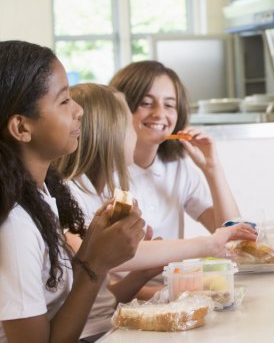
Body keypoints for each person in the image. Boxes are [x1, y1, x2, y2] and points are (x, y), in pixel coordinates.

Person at [54, 83, 257, 340]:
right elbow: (98, 253)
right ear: (110, 134)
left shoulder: (99, 193)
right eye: (129, 124)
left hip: (108, 325)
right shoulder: (70, 194)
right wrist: (209, 244)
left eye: (170, 104)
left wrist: (144, 274)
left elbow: (104, 295)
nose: (136, 134)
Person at [0, 40, 144, 342]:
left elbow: (61, 307)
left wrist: (93, 249)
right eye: (64, 101)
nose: (79, 111)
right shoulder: (14, 226)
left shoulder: (40, 196)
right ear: (21, 128)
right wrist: (96, 264)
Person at [109, 61, 240, 240]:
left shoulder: (178, 168)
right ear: (119, 109)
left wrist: (212, 170)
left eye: (169, 105)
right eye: (146, 103)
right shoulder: (101, 172)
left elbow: (234, 237)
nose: (159, 113)